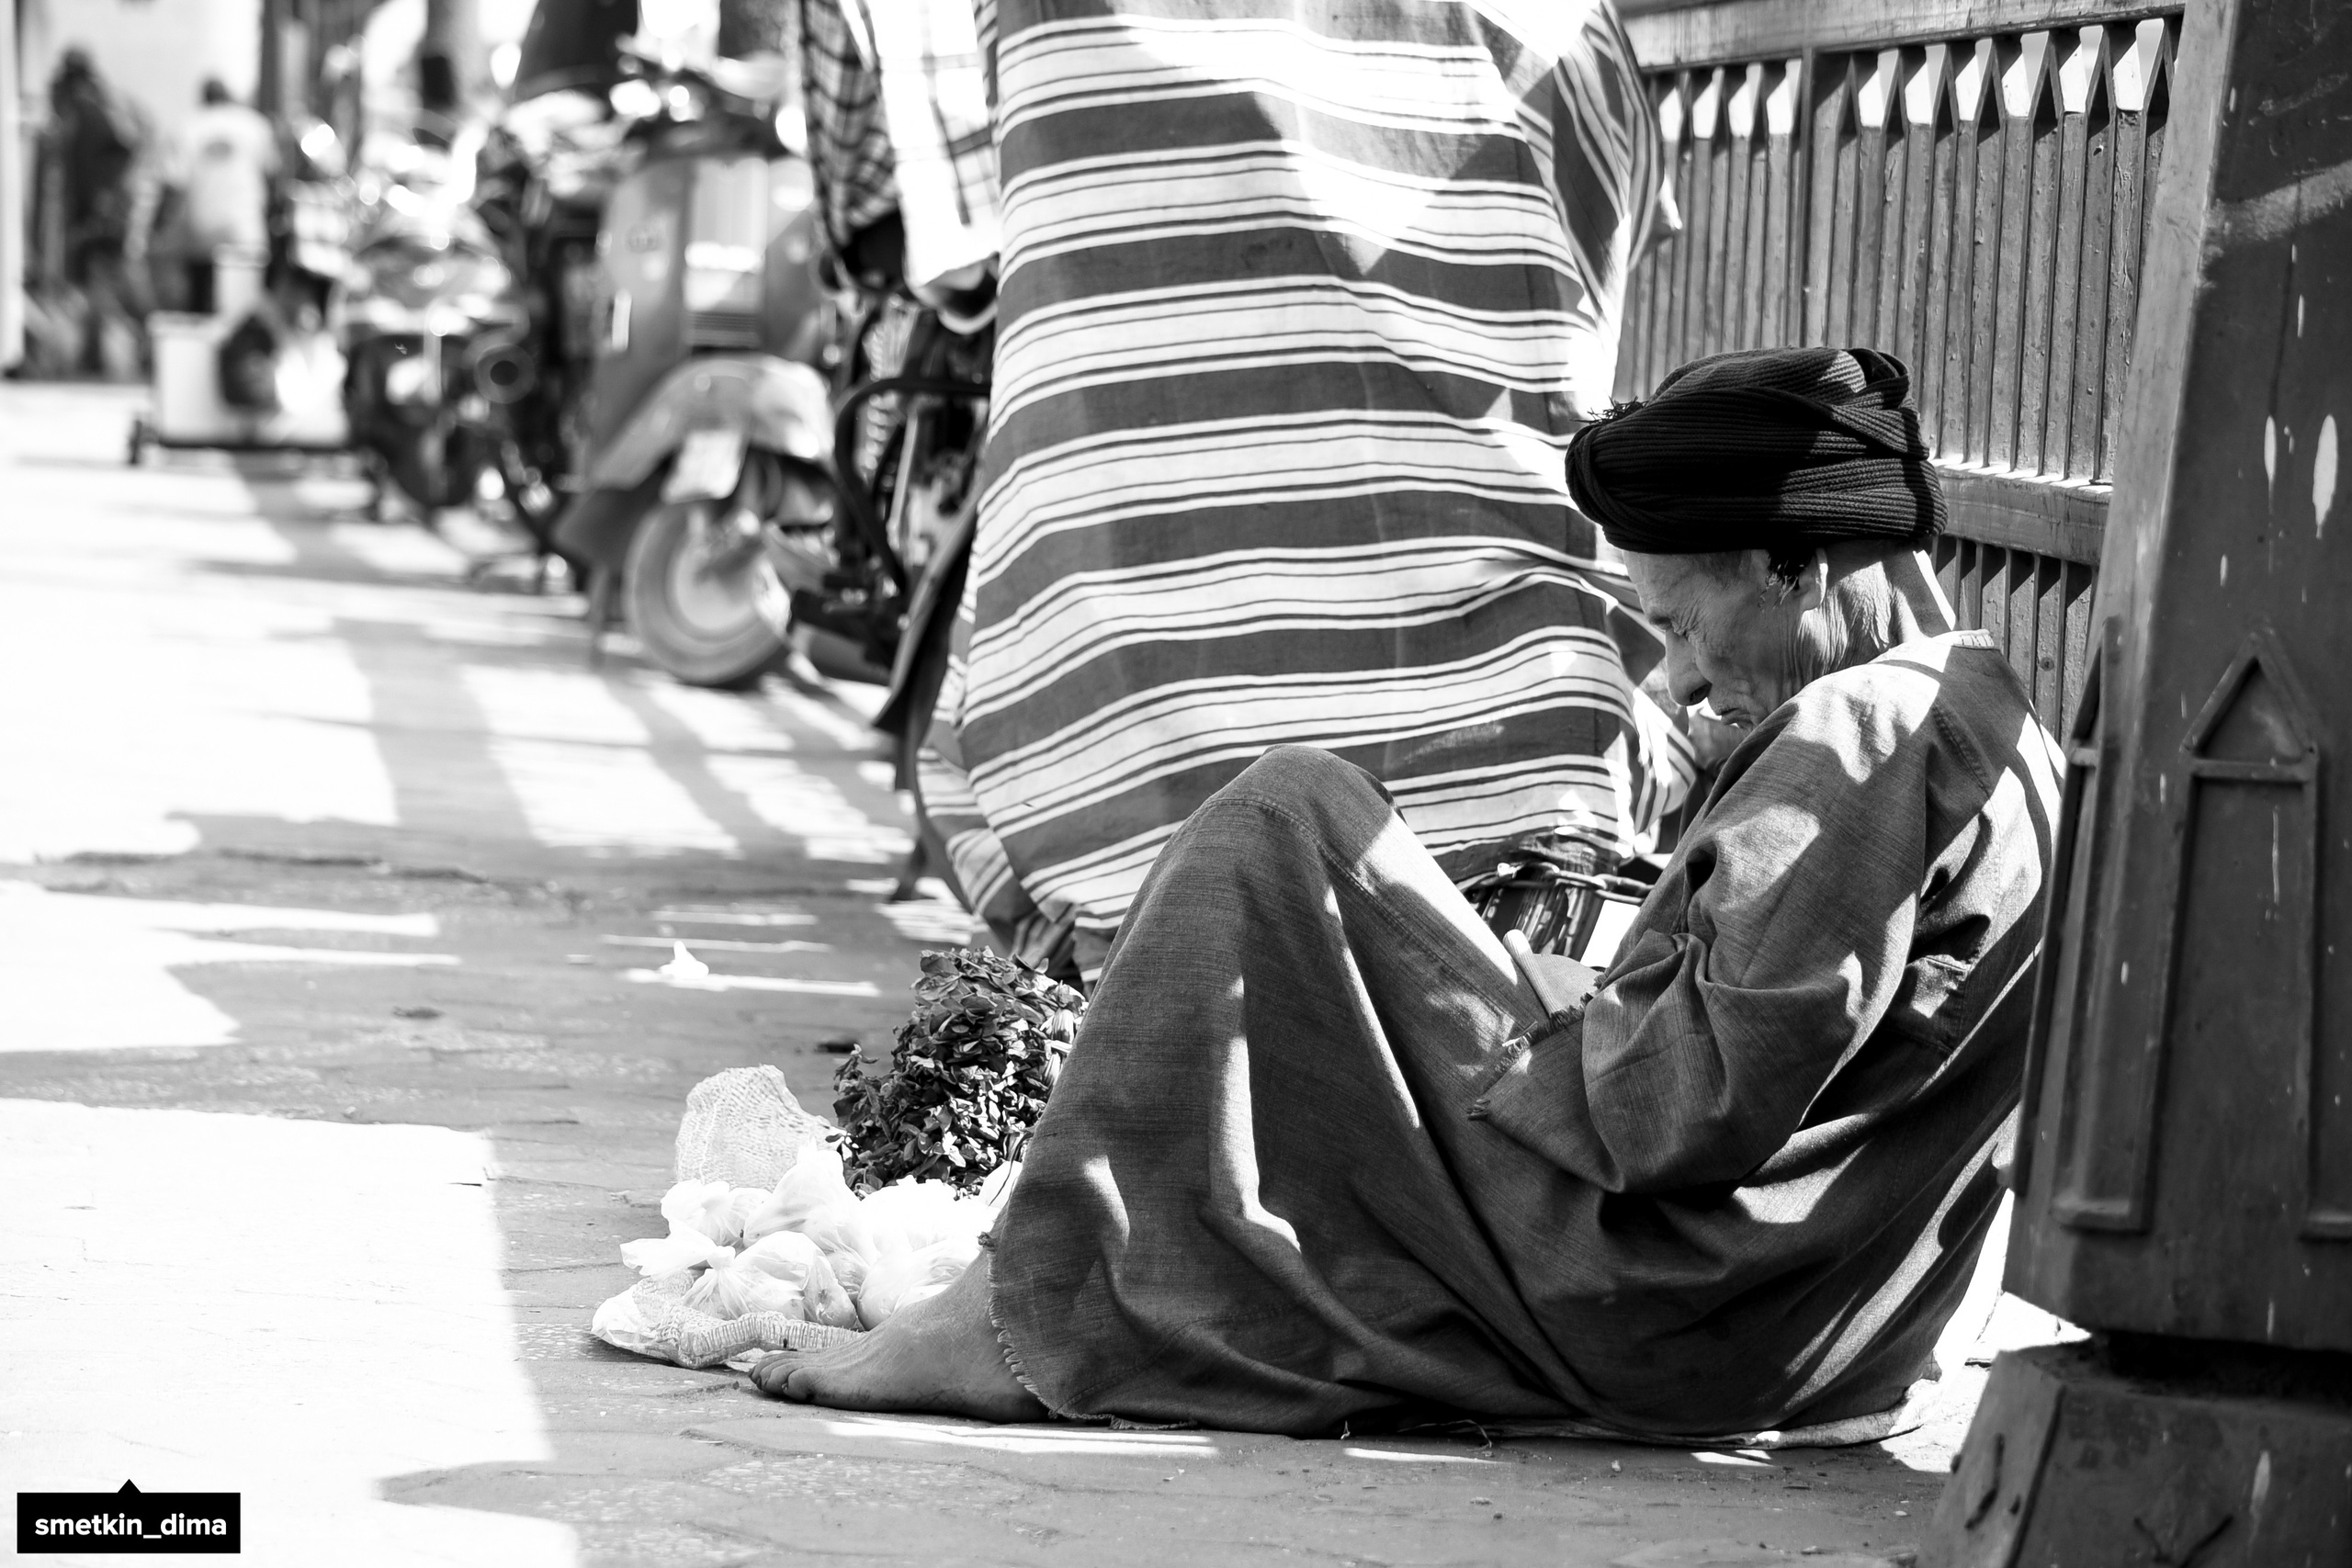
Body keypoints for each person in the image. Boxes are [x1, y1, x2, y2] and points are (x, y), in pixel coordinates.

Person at [752, 345, 2065, 1438]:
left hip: (1672, 1305)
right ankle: (1057, 1273)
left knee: (1287, 823)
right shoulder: (1981, 707)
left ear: (1797, 567)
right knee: (1338, 896)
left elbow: (1678, 1115)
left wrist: (1538, 1015)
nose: (1671, 677)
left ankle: (1011, 1314)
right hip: (1828, 1335)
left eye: (1675, 622)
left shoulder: (1866, 738)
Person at [166, 80, 278, 316]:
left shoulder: (188, 126)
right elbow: (273, 175)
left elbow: (174, 184)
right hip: (246, 230)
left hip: (202, 232)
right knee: (244, 310)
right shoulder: (255, 124)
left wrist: (159, 228)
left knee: (201, 312)